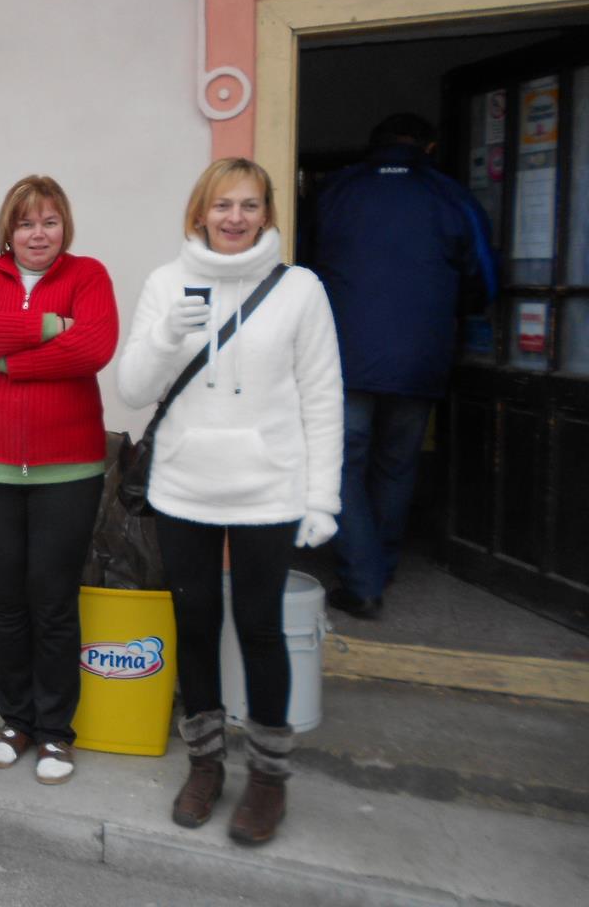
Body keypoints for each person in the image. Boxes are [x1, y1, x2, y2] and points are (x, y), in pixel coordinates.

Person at [117, 157, 342, 845]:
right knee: (195, 623)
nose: (235, 218)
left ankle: (268, 780)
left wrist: (322, 497)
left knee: (259, 627)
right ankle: (206, 765)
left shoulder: (300, 290)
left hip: (268, 490)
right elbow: (132, 388)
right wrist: (167, 335)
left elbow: (322, 397)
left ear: (267, 213)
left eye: (249, 205)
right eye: (222, 205)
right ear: (200, 213)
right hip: (184, 486)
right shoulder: (166, 282)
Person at [0, 175, 118, 787]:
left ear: (64, 227)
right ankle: (14, 720)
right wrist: (48, 327)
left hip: (68, 470)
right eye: (26, 223)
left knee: (53, 600)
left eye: (49, 221)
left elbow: (93, 347)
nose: (37, 234)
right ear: (9, 231)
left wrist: (5, 361)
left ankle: (55, 731)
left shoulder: (88, 276)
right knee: (8, 601)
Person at [311, 113, 496, 620]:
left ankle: (362, 580)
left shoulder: (335, 191)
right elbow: (484, 278)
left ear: (372, 145)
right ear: (429, 148)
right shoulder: (451, 196)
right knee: (397, 464)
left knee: (342, 463)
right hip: (420, 357)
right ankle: (382, 567)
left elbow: (302, 265)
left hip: (343, 355)